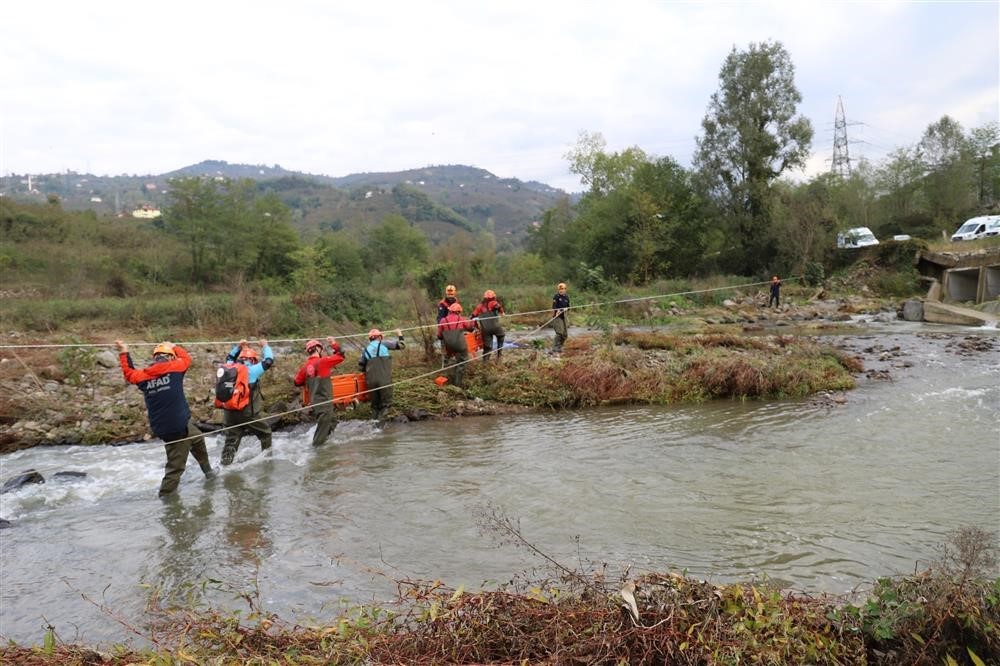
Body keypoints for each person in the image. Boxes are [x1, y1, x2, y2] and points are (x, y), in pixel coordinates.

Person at [115, 340, 214, 497]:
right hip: (176, 428)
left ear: (155, 359)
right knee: (175, 469)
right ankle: (166, 500)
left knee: (198, 440)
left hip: (172, 426)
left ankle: (209, 474)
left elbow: (129, 373)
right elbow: (187, 359)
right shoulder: (175, 368)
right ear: (171, 357)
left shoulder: (143, 377)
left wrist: (123, 352)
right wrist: (174, 346)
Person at [220, 339, 274, 466]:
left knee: (231, 441)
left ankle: (224, 467)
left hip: (229, 413)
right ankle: (268, 462)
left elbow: (230, 356)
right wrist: (265, 346)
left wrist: (238, 346)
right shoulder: (253, 370)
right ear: (253, 360)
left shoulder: (229, 366)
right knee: (266, 433)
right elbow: (269, 361)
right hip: (247, 413)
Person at [293, 337, 345, 447]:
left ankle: (327, 447)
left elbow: (297, 382)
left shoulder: (305, 367)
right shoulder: (324, 361)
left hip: (316, 403)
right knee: (320, 435)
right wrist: (333, 344)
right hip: (325, 402)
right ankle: (317, 453)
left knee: (333, 422)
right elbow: (341, 356)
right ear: (318, 349)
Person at [358, 328, 405, 422]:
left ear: (370, 339)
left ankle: (373, 425)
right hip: (384, 380)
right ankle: (380, 428)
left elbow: (361, 367)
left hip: (371, 381)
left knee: (375, 406)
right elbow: (402, 345)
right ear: (380, 337)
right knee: (386, 404)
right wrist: (399, 334)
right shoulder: (384, 344)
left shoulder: (365, 349)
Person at [437, 302, 475, 387]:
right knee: (462, 362)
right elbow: (470, 329)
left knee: (448, 361)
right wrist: (472, 323)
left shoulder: (443, 320)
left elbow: (439, 336)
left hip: (448, 346)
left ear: (450, 311)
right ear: (458, 312)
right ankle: (458, 384)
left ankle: (446, 379)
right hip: (460, 345)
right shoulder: (460, 319)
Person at [472, 289, 506, 361]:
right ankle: (499, 355)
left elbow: (472, 317)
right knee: (501, 336)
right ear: (493, 297)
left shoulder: (479, 307)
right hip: (495, 326)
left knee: (487, 346)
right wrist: (502, 313)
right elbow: (498, 307)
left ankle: (485, 361)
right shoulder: (493, 302)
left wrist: (476, 327)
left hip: (485, 329)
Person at [551, 282, 570, 353]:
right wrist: (557, 310)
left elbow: (568, 307)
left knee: (565, 335)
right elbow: (554, 307)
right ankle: (554, 347)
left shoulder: (566, 297)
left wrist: (566, 309)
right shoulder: (556, 297)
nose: (561, 290)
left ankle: (559, 347)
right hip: (557, 316)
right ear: (558, 290)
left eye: (563, 289)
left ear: (565, 289)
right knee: (559, 333)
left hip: (564, 317)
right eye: (560, 289)